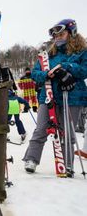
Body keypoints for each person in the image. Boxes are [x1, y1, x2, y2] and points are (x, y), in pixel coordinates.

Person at [22, 19, 87, 175]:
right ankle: (31, 159)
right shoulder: (48, 54)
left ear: (72, 33)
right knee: (41, 129)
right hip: (49, 96)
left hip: (72, 97)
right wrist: (47, 74)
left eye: (61, 34)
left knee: (67, 132)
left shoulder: (82, 52)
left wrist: (66, 67)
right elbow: (35, 73)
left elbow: (84, 70)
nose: (57, 37)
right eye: (55, 35)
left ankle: (67, 163)